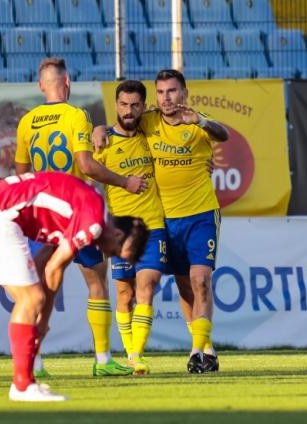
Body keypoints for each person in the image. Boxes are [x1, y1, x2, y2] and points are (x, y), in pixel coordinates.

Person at [0, 171, 149, 401]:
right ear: (118, 233)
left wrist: (41, 321)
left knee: (32, 300)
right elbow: (54, 269)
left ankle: (26, 381)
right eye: (116, 252)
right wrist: (44, 322)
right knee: (32, 300)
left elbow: (45, 262)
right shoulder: (93, 222)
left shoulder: (88, 209)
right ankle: (22, 386)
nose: (110, 256)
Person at [14, 58, 146, 378]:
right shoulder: (77, 116)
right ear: (68, 82)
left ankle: (36, 362)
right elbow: (86, 165)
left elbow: (21, 173)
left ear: (40, 86)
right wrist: (125, 181)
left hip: (43, 212)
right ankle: (103, 360)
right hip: (74, 209)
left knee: (40, 287)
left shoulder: (27, 121)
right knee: (96, 279)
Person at [93, 69, 228, 373]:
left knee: (200, 280)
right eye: (162, 92)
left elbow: (224, 134)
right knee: (184, 287)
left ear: (184, 93)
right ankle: (206, 346)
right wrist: (98, 129)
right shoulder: (148, 121)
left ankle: (197, 352)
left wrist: (202, 122)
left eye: (173, 91)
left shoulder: (195, 120)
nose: (167, 98)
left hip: (201, 212)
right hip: (164, 218)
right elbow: (121, 121)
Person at [92, 80, 167, 375]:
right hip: (120, 230)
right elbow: (88, 170)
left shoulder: (152, 133)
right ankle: (128, 351)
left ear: (144, 107)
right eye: (123, 104)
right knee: (125, 294)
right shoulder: (103, 142)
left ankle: (136, 356)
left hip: (153, 225)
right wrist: (98, 129)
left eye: (135, 105)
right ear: (116, 105)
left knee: (146, 286)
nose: (129, 110)